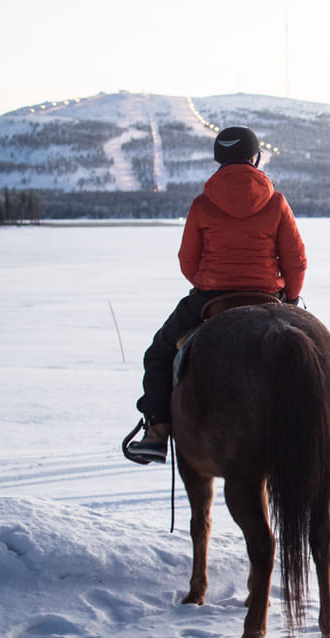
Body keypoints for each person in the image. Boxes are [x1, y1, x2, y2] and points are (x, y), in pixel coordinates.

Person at [124, 126, 307, 464]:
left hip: (211, 297)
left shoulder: (203, 204)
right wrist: (291, 298)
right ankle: (311, 432)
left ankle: (157, 433)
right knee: (311, 354)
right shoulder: (277, 202)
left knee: (160, 354)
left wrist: (208, 282)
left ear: (219, 159)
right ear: (256, 157)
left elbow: (186, 261)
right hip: (268, 297)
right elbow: (296, 261)